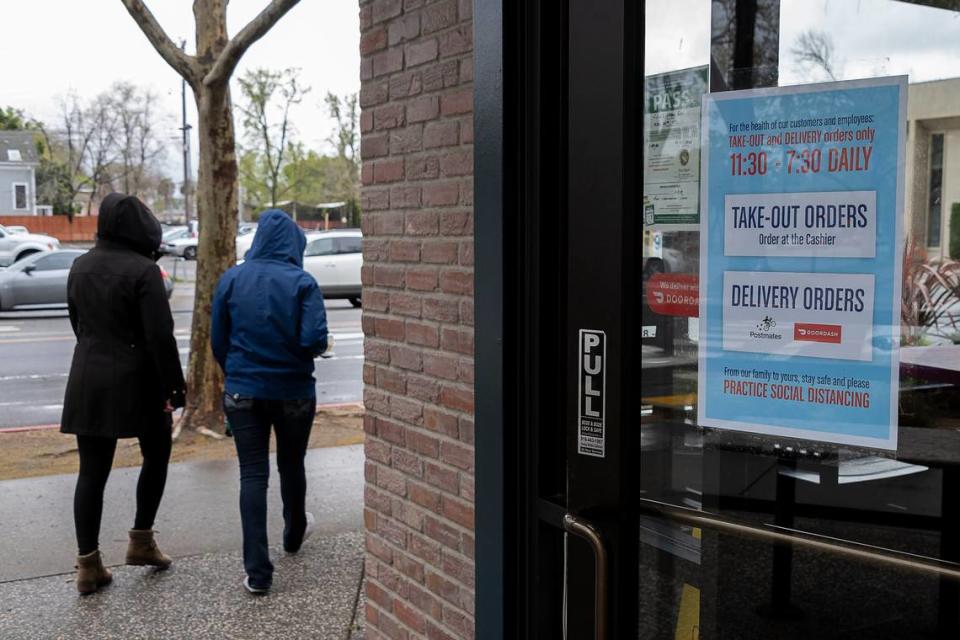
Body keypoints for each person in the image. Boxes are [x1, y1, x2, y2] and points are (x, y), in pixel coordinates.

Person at [61, 193, 186, 595]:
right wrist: (175, 388)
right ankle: (141, 540)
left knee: (91, 474)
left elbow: (77, 324)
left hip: (87, 379)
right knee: (157, 454)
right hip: (139, 381)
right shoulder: (144, 271)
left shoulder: (79, 266)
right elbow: (159, 338)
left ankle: (88, 565)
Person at [211, 209, 330, 594]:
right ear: (295, 242)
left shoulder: (231, 279)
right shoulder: (302, 282)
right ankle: (294, 533)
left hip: (243, 392)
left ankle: (258, 573)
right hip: (294, 391)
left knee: (252, 475)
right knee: (292, 464)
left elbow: (218, 339)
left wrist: (237, 371)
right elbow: (314, 338)